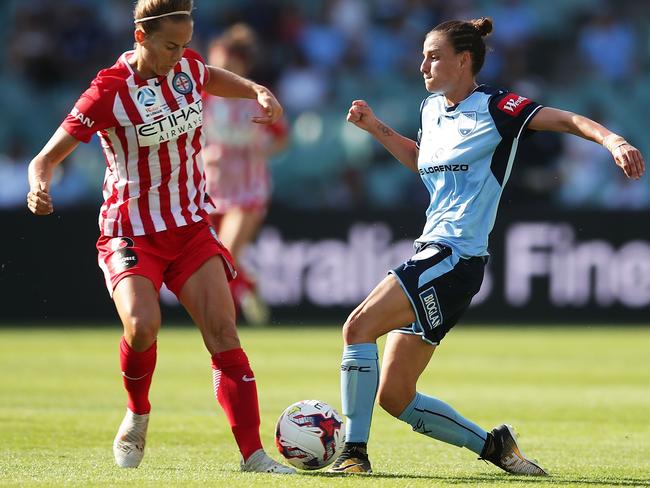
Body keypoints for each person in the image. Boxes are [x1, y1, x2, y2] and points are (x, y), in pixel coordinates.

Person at [330, 17, 645, 475]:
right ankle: (497, 448)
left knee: (357, 328)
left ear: (464, 60)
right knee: (395, 396)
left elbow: (567, 119)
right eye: (422, 56)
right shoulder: (430, 109)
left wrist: (613, 140)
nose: (423, 65)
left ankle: (353, 453)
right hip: (436, 255)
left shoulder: (499, 107)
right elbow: (424, 162)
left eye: (433, 56)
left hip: (454, 256)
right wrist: (376, 126)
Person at [26, 0, 295, 474]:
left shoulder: (187, 66)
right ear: (141, 37)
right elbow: (45, 159)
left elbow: (208, 74)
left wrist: (256, 89)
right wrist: (39, 185)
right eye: (170, 46)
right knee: (142, 325)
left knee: (223, 331)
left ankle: (253, 455)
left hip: (189, 228)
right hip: (130, 231)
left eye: (185, 44)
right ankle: (138, 411)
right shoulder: (108, 91)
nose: (179, 56)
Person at [203, 24, 288, 325]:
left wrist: (259, 152)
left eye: (226, 65)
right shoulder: (202, 99)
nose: (218, 70)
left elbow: (281, 136)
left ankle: (225, 328)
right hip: (210, 192)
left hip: (248, 190)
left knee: (223, 255)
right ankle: (250, 287)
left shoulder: (256, 98)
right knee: (218, 258)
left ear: (240, 66)